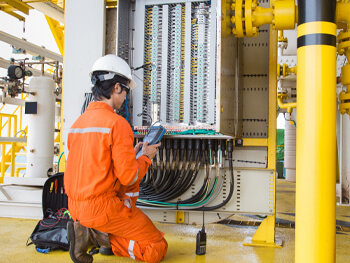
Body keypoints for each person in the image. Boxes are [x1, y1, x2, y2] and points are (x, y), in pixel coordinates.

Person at [64, 54, 168, 263]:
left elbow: (95, 165)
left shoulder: (77, 124)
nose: (126, 98)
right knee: (156, 247)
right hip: (102, 209)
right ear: (117, 87)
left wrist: (132, 152)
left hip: (74, 207)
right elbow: (129, 177)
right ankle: (97, 236)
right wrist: (146, 157)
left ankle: (86, 230)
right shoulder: (117, 123)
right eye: (126, 91)